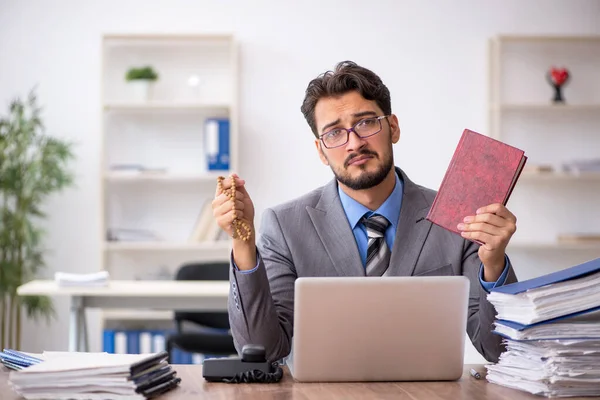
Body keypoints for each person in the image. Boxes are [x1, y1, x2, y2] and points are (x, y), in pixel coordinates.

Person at [212, 61, 518, 364]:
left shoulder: (458, 218)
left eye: (366, 123)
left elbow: (498, 351)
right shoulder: (285, 226)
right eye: (334, 133)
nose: (354, 143)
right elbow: (262, 350)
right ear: (321, 150)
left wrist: (494, 264)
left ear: (393, 128)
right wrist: (243, 242)